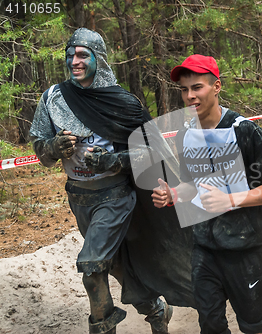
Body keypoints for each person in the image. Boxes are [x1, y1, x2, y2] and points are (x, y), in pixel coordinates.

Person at [29, 28, 194, 334]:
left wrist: (114, 161)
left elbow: (153, 153)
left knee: (91, 268)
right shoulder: (52, 97)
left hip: (115, 196)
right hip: (79, 198)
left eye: (82, 55)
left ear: (98, 59)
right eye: (70, 54)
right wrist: (53, 147)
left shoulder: (122, 102)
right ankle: (155, 309)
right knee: (115, 268)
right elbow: (40, 147)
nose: (74, 61)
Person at [151, 54, 262, 334]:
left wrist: (231, 200)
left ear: (217, 87)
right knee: (211, 326)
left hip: (243, 246)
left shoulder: (244, 132)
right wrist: (174, 194)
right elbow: (194, 185)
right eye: (184, 89)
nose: (190, 96)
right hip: (204, 246)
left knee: (255, 325)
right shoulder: (185, 134)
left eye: (197, 87)